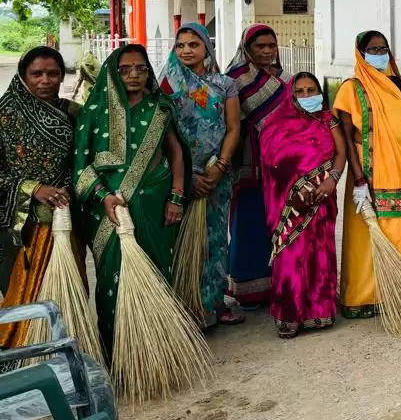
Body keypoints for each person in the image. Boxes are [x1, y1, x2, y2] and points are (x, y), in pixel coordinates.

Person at [74, 45, 189, 350]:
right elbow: (81, 168)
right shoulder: (95, 111)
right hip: (108, 212)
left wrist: (176, 197)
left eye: (141, 68)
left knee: (158, 272)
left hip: (156, 205)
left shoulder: (160, 108)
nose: (134, 75)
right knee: (112, 279)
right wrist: (104, 197)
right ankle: (119, 354)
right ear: (114, 72)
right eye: (125, 69)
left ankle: (159, 350)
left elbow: (176, 153)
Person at [159, 22, 242, 328]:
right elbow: (161, 132)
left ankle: (215, 303)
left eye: (193, 44)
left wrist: (219, 167)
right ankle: (186, 304)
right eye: (180, 45)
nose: (186, 51)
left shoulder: (224, 85)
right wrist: (186, 176)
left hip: (216, 173)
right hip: (179, 175)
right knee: (180, 239)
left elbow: (234, 128)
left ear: (206, 47)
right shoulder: (167, 84)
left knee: (216, 238)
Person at [334, 32, 401, 318]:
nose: (380, 53)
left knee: (397, 228)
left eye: (384, 48)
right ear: (360, 53)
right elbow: (346, 137)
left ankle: (400, 291)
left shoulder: (398, 85)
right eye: (373, 49)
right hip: (367, 170)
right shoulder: (352, 88)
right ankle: (363, 297)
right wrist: (358, 180)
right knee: (365, 232)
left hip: (397, 168)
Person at [0, 47, 77, 354]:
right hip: (16, 223)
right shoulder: (4, 115)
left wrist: (65, 190)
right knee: (20, 293)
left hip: (62, 217)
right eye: (37, 74)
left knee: (66, 293)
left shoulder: (75, 114)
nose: (45, 80)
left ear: (61, 76)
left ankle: (65, 352)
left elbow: (83, 162)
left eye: (53, 73)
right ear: (23, 76)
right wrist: (34, 188)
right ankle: (22, 356)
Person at [258, 73, 346, 338]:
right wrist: (292, 192)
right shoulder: (274, 125)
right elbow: (270, 165)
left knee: (320, 251)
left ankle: (319, 311)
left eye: (312, 90)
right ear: (290, 96)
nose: (308, 96)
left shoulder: (328, 119)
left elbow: (340, 153)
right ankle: (289, 314)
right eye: (300, 92)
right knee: (291, 255)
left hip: (323, 197)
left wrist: (332, 180)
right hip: (290, 205)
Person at [226, 24, 288, 307]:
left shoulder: (285, 79)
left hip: (282, 163)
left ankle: (280, 282)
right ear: (247, 48)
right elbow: (228, 122)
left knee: (279, 222)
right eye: (259, 46)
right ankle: (247, 287)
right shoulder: (235, 79)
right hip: (249, 163)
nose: (265, 51)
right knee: (249, 222)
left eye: (270, 46)